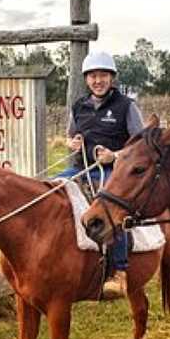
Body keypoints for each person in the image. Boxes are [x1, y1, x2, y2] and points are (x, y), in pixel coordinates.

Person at [56, 51, 145, 297]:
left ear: (111, 78)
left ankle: (119, 271)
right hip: (82, 167)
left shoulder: (126, 106)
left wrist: (114, 156)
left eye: (103, 75)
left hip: (114, 171)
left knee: (109, 208)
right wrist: (72, 142)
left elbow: (141, 146)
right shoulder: (79, 107)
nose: (98, 81)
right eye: (93, 76)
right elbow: (71, 135)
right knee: (51, 188)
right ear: (86, 79)